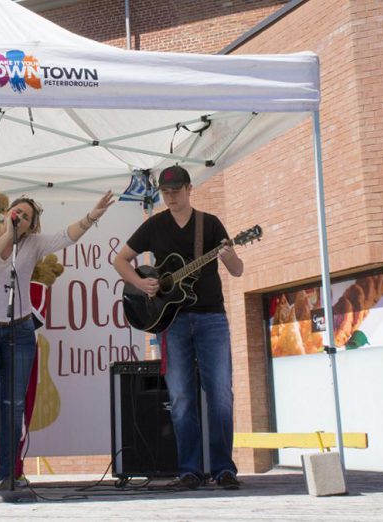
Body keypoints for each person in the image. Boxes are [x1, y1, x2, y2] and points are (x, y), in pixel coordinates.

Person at [0, 191, 114, 489]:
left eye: (25, 217)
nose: (18, 217)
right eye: (15, 212)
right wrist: (8, 234)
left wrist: (93, 215)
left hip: (19, 331)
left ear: (32, 227)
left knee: (14, 403)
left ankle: (8, 474)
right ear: (7, 213)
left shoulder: (33, 243)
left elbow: (66, 237)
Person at [113, 166, 243, 490]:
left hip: (211, 317)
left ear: (189, 189)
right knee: (182, 396)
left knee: (220, 394)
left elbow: (238, 270)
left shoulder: (209, 224)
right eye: (165, 192)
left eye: (175, 191)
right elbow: (120, 260)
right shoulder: (154, 225)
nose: (169, 197)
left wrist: (227, 256)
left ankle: (223, 468)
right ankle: (189, 470)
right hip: (171, 321)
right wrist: (142, 284)